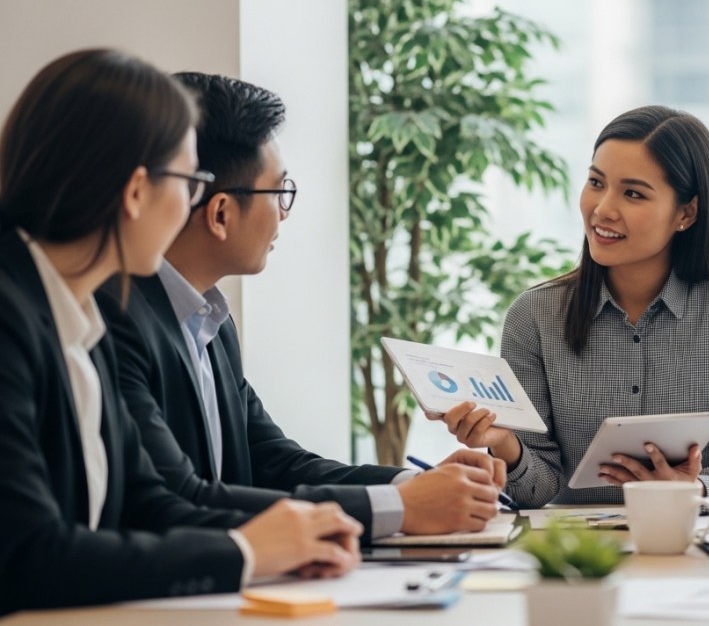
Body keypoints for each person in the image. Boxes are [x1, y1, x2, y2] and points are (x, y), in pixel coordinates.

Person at [0, 49, 363, 615]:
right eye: (189, 182)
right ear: (138, 191)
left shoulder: (78, 316)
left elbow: (149, 503)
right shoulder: (14, 317)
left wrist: (297, 535)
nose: (195, 203)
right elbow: (27, 557)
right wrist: (244, 551)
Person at [96, 72, 504, 540]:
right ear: (222, 213)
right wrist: (399, 506)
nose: (285, 212)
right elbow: (178, 497)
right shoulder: (117, 316)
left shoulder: (210, 319)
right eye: (280, 191)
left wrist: (415, 484)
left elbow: (273, 461)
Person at [430, 105, 709, 513]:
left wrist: (695, 489)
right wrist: (504, 444)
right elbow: (537, 489)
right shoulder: (534, 315)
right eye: (596, 182)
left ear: (685, 213)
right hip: (572, 554)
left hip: (692, 538)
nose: (602, 209)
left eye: (633, 193)